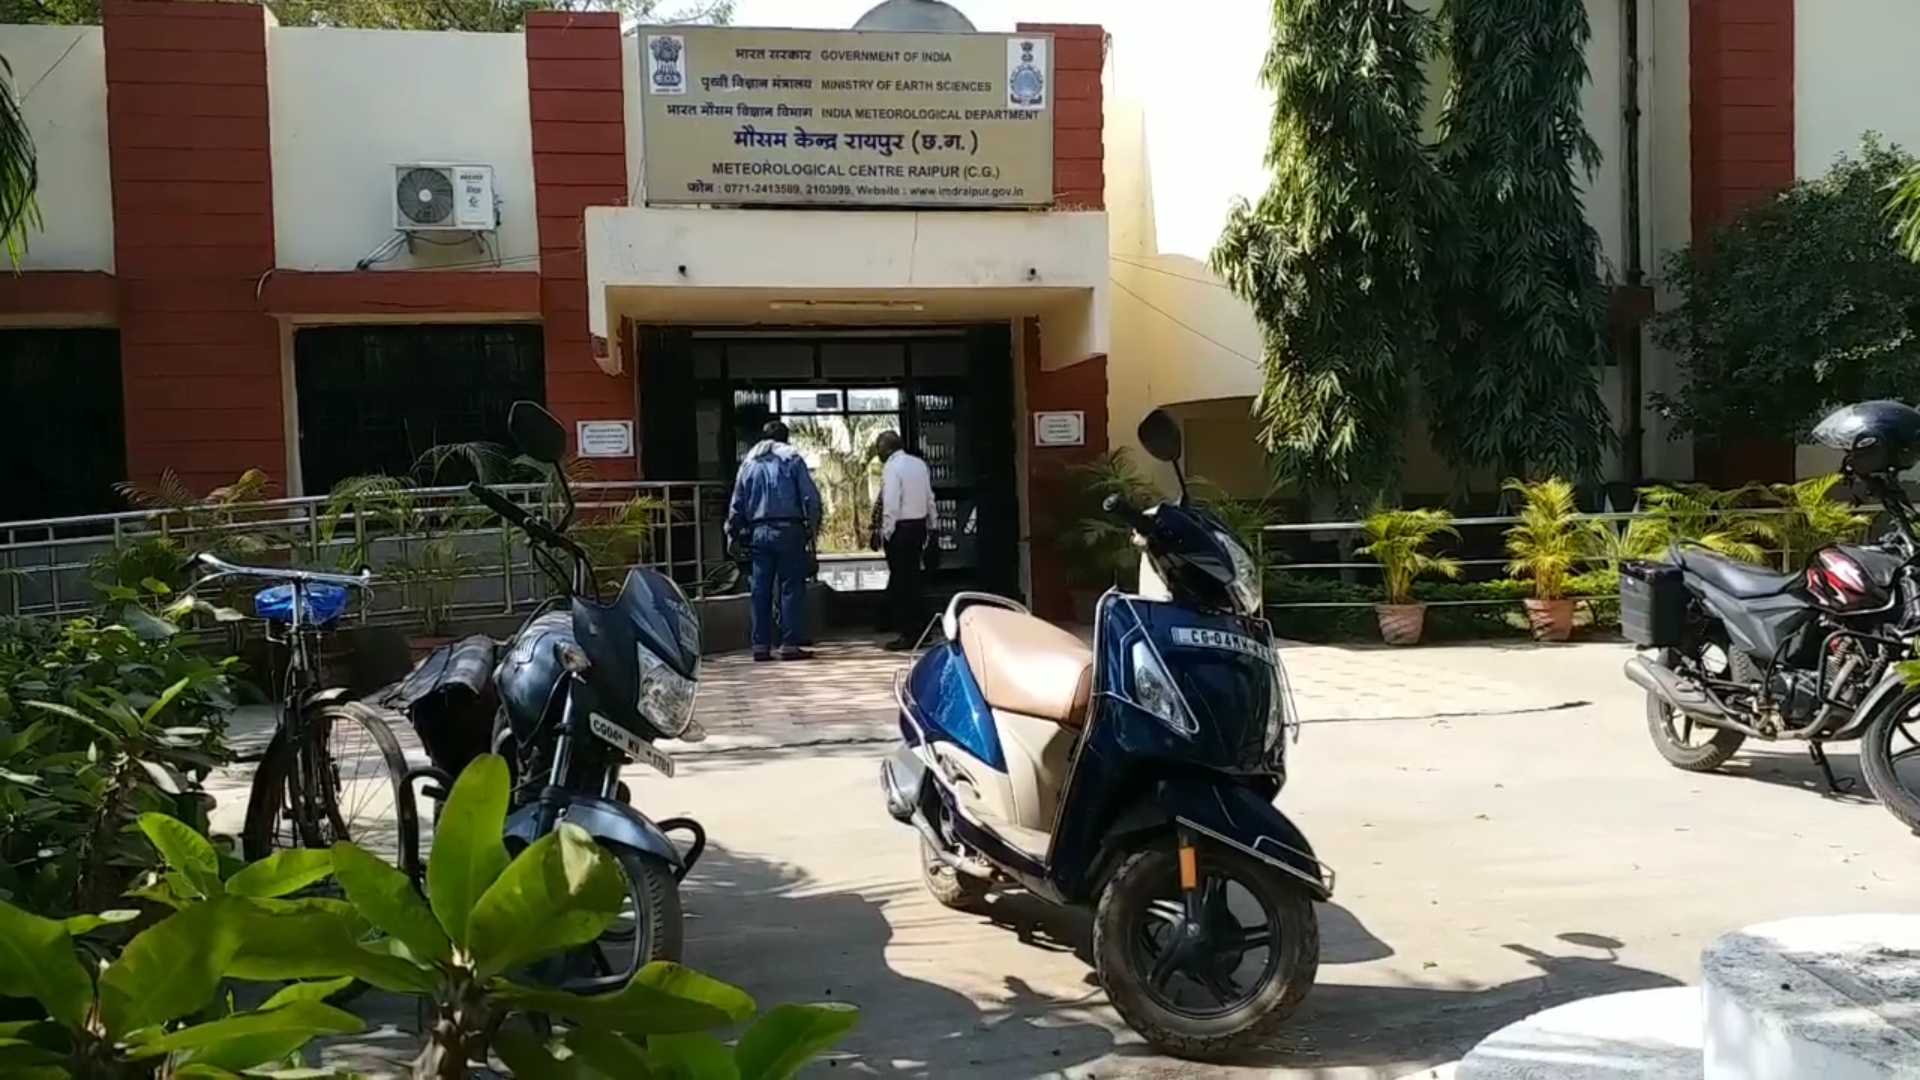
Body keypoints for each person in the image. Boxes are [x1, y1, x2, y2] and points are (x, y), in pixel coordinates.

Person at [726, 420, 822, 661]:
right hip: (789, 529)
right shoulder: (792, 459)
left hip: (759, 531)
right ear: (786, 438)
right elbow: (811, 497)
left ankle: (760, 645)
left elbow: (737, 503)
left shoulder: (749, 462)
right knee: (790, 587)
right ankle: (789, 644)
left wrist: (733, 533)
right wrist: (813, 527)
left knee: (760, 590)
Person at [872, 430, 936, 651]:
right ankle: (922, 630)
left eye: (878, 449)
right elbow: (929, 497)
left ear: (887, 448)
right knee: (914, 581)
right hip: (919, 526)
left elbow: (891, 502)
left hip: (901, 527)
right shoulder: (919, 464)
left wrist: (886, 532)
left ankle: (907, 634)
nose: (878, 454)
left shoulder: (892, 467)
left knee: (901, 582)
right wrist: (933, 525)